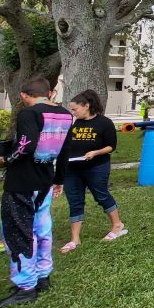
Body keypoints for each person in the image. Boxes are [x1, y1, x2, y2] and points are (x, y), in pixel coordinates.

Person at [0, 77, 73, 308]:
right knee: (42, 230)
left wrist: (5, 160)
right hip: (44, 181)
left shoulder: (29, 113)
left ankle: (25, 287)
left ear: (24, 95)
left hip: (21, 183)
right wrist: (59, 179)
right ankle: (43, 276)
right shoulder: (64, 114)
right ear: (49, 93)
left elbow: (26, 144)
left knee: (18, 232)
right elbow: (65, 150)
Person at [57, 89, 126, 253]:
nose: (73, 112)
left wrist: (95, 153)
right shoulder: (74, 124)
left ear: (86, 106)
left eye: (75, 109)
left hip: (96, 167)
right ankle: (75, 239)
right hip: (72, 169)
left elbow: (111, 146)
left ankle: (117, 225)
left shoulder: (104, 123)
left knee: (101, 195)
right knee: (74, 200)